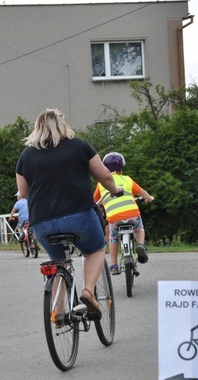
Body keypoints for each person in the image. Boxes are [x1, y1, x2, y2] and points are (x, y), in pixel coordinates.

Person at [15, 108, 123, 318]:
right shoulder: (79, 146)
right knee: (95, 250)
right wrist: (116, 190)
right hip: (79, 216)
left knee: (57, 262)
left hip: (41, 222)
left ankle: (58, 312)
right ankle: (88, 292)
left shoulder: (26, 155)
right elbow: (106, 177)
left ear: (37, 128)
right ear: (62, 125)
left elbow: (24, 192)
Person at [93, 152, 154, 275]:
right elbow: (142, 192)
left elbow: (95, 201)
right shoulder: (127, 179)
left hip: (114, 219)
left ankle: (114, 265)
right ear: (121, 167)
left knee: (113, 237)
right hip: (132, 215)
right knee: (139, 228)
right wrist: (149, 198)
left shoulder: (101, 184)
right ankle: (141, 245)